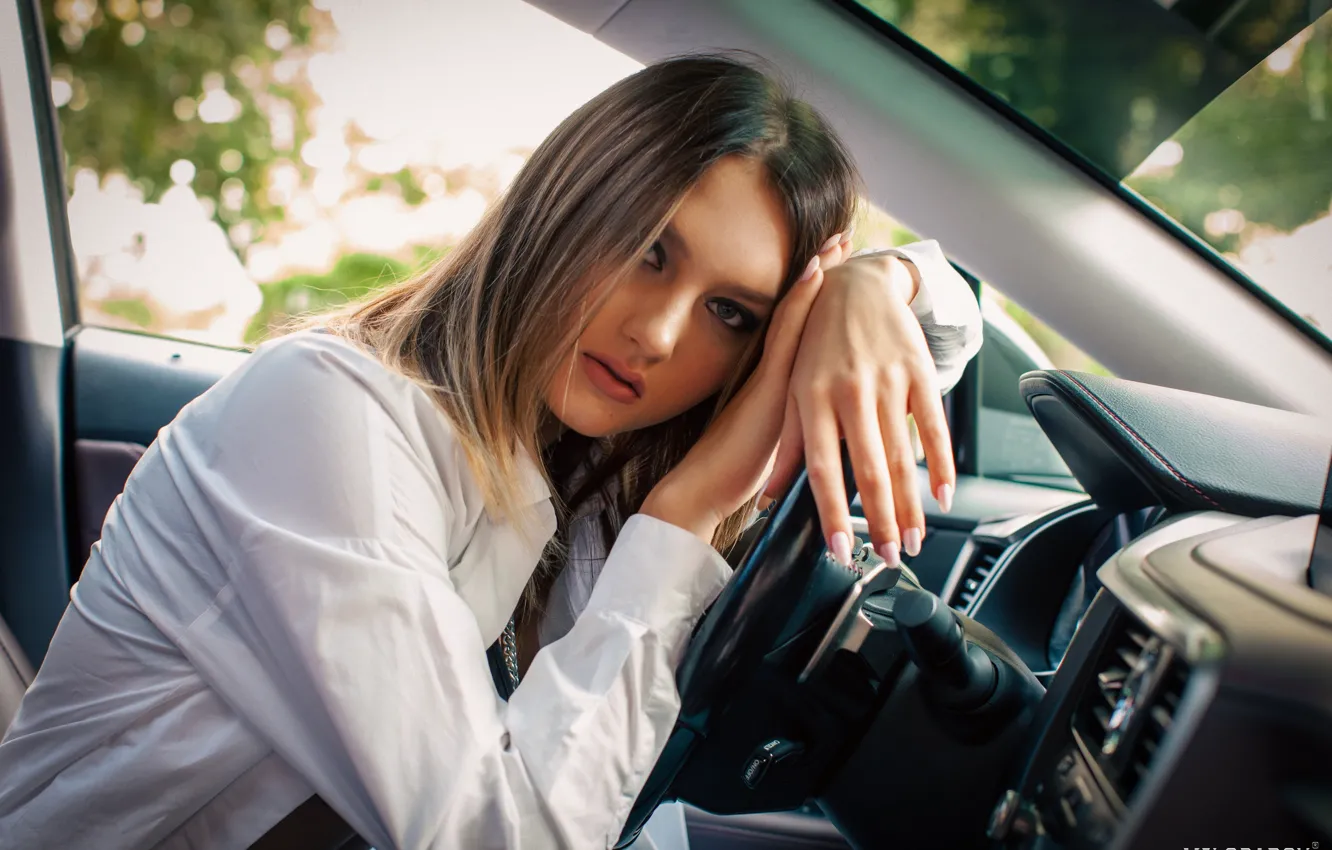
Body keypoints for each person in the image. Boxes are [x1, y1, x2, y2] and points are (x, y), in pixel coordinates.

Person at [0, 55, 981, 849]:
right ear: (565, 201)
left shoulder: (577, 479)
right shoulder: (328, 417)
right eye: (649, 249)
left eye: (732, 312)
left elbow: (944, 334)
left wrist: (875, 286)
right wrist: (684, 519)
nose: (662, 333)